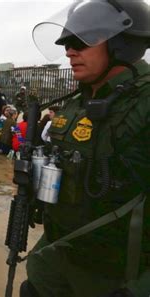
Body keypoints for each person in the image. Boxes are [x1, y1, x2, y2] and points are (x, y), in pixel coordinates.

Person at [21, 1, 150, 296]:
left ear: (122, 44)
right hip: (57, 258)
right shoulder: (77, 102)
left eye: (81, 41)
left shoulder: (145, 103)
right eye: (67, 43)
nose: (69, 51)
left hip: (116, 275)